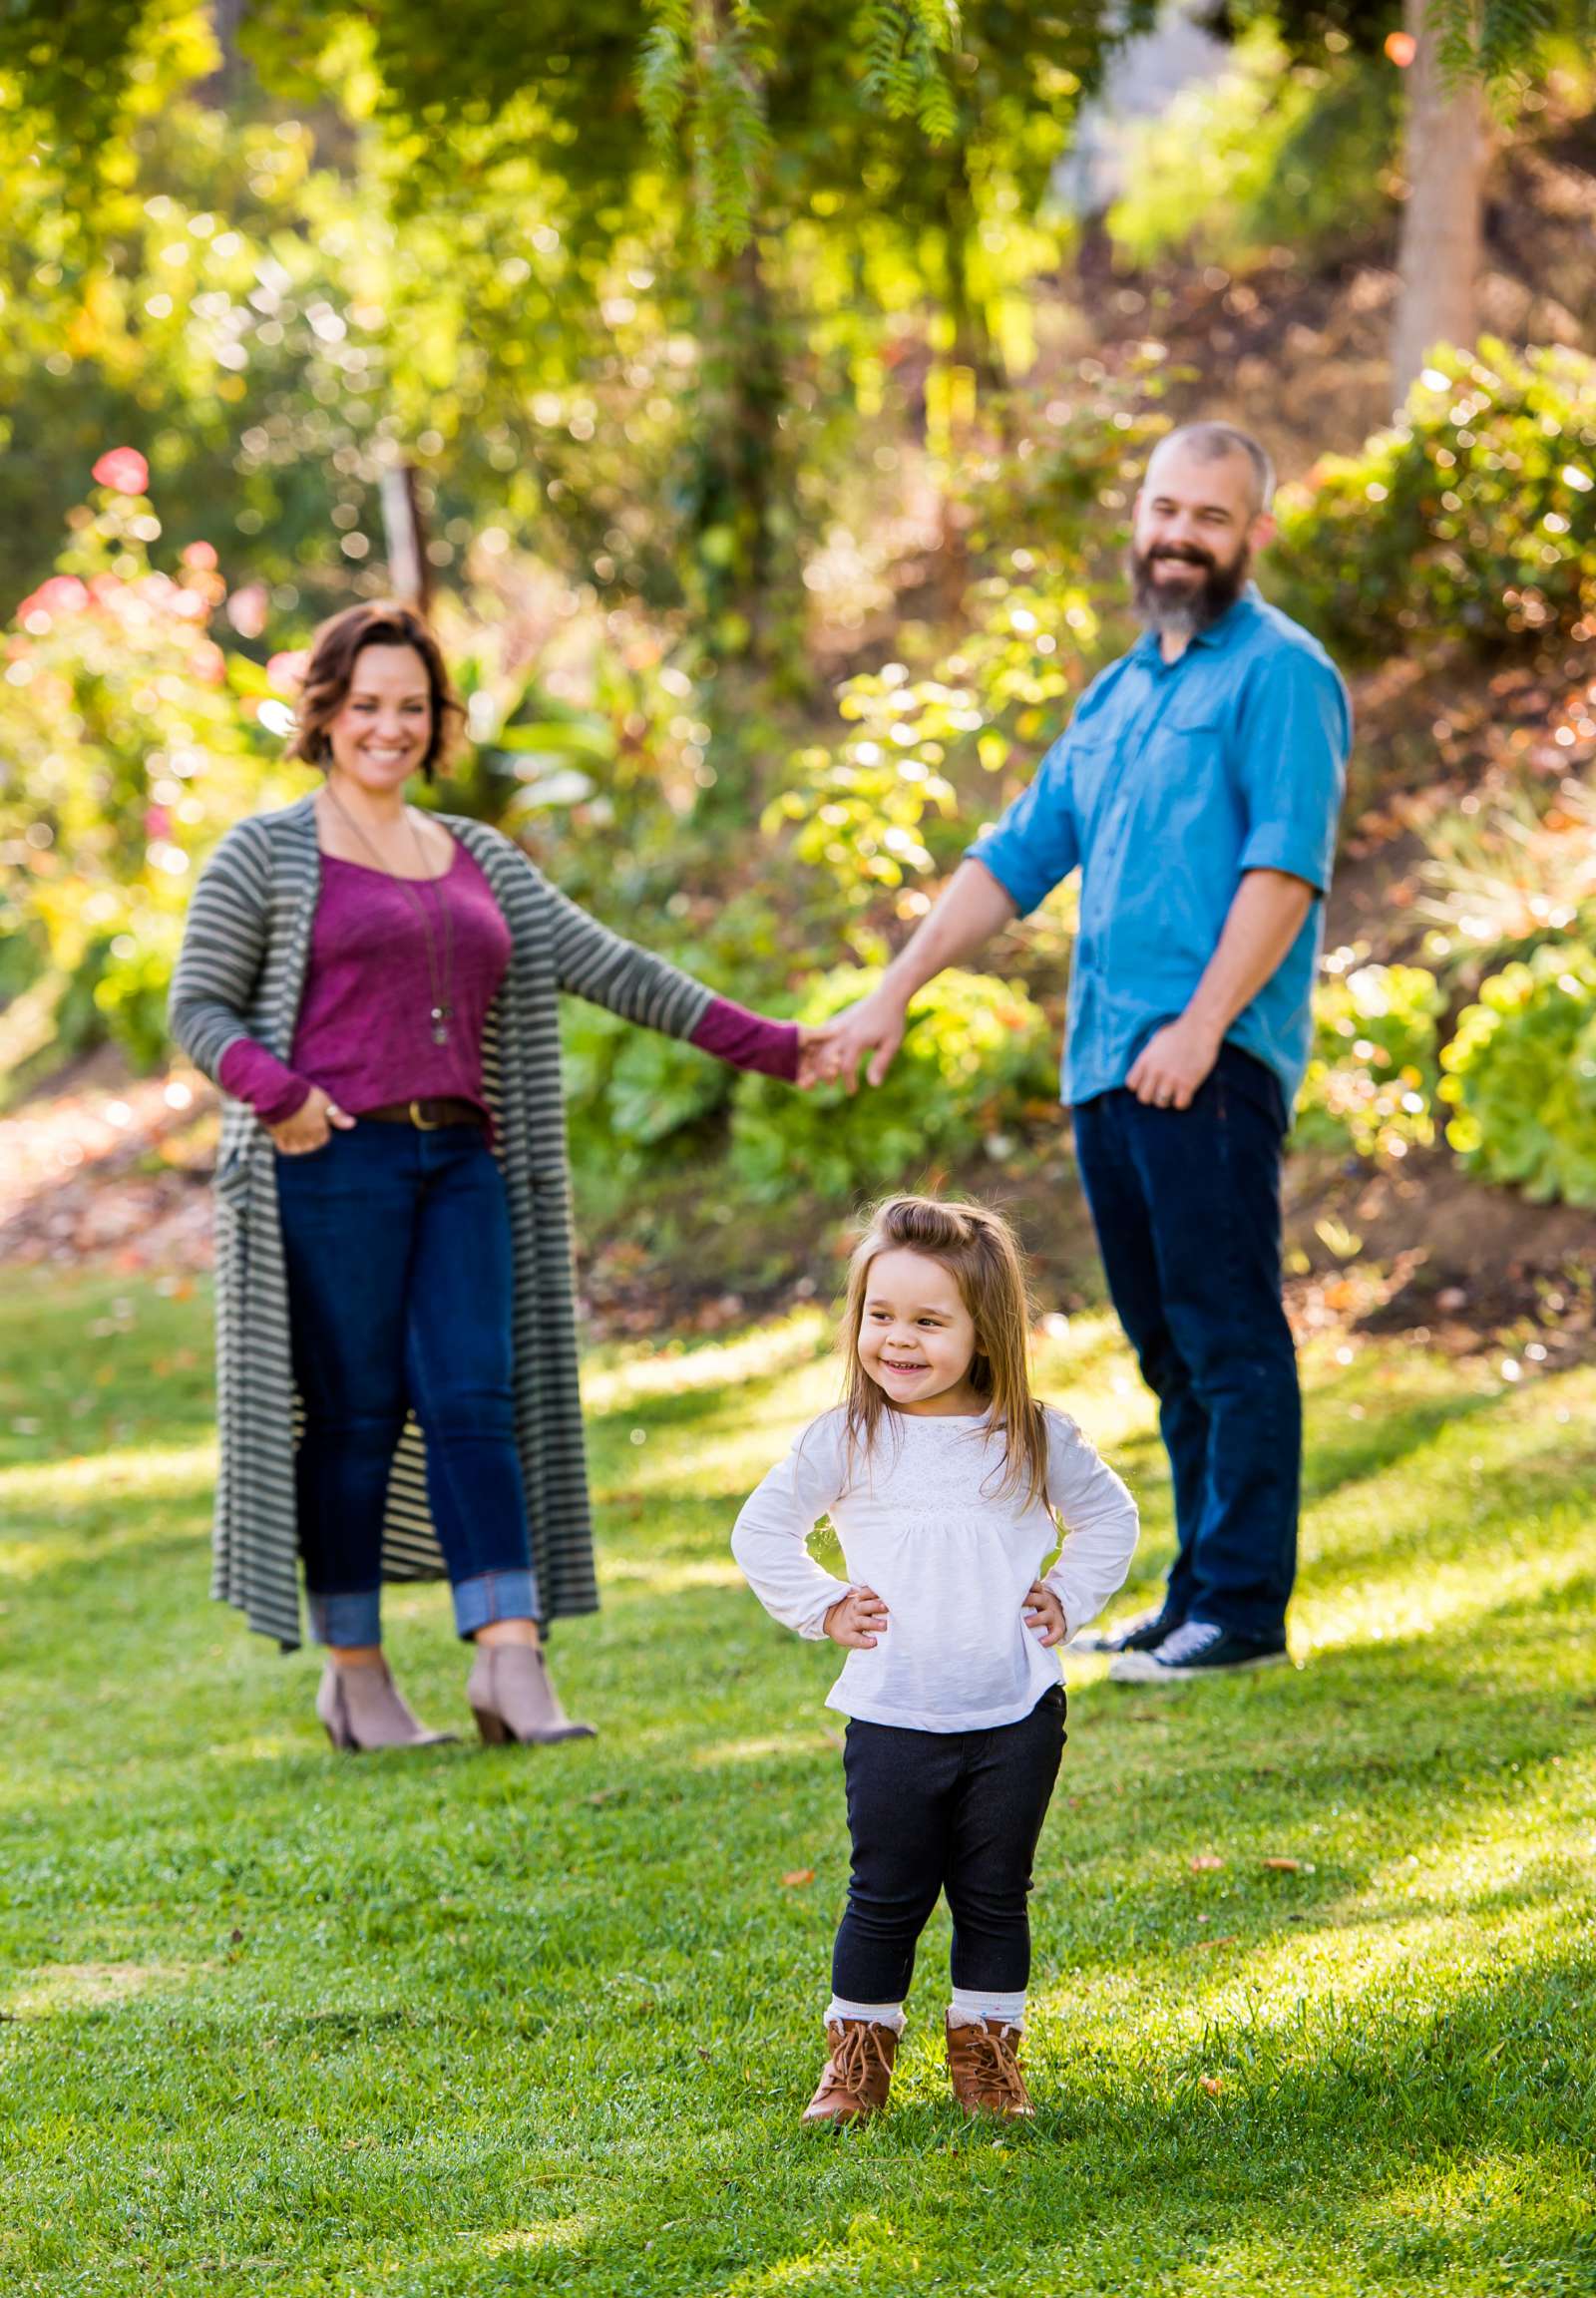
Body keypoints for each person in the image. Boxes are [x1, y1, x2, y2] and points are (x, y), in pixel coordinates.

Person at [171, 601, 841, 1751]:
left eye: (413, 707)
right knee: (354, 1418)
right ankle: (357, 1673)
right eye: (367, 705)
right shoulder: (266, 853)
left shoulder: (476, 856)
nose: (390, 726)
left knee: (478, 1399)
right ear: (325, 714)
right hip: (332, 1161)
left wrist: (774, 1044)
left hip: (463, 1164)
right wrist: (279, 1096)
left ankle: (510, 1661)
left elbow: (608, 965)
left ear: (439, 723)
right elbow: (199, 1006)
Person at [820, 423, 1352, 1683]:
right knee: (1165, 1346)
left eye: (1210, 517)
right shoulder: (1118, 695)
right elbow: (1013, 859)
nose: (1179, 536)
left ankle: (1242, 1609)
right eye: (1165, 509)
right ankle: (1192, 1595)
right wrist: (894, 989)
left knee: (1226, 1336)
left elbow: (1285, 868)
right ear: (1139, 517)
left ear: (1252, 535)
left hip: (1202, 1058)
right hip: (1107, 1065)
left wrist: (1203, 1024)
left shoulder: (1280, 675)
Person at [732, 1195, 1138, 2124]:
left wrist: (1069, 1596)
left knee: (995, 1895)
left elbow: (1112, 1517)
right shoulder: (847, 1436)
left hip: (1014, 1714)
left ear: (985, 1330)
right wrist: (824, 1604)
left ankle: (988, 2065)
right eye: (880, 1316)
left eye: (928, 1321)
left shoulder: (1032, 1433)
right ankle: (856, 2067)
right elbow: (762, 1531)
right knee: (884, 1894)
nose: (898, 1341)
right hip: (895, 1714)